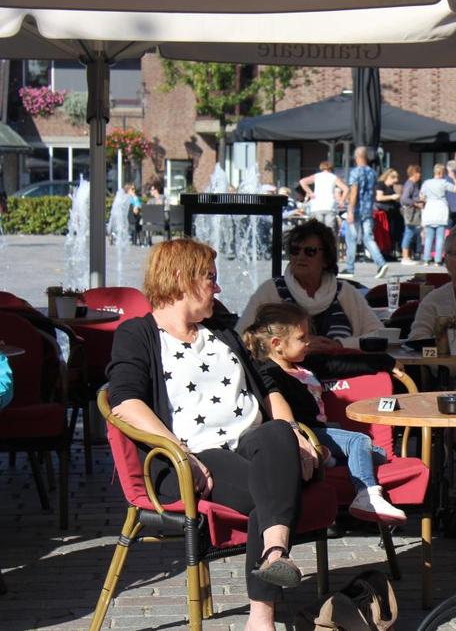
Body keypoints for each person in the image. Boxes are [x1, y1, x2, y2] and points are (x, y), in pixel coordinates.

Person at [106, 238, 320, 631]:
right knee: (267, 493)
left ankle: (273, 555)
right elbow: (124, 403)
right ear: (180, 278)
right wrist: (181, 453)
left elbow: (268, 386)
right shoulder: (138, 335)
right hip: (194, 456)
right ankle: (263, 609)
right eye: (210, 279)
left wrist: (294, 433)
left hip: (256, 444)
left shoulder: (221, 330)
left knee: (275, 434)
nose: (217, 288)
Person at [243, 302, 406, 524]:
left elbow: (342, 363)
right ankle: (367, 494)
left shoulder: (306, 365)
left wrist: (385, 361)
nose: (309, 341)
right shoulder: (268, 373)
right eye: (302, 337)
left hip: (325, 432)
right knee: (360, 440)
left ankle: (326, 457)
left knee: (377, 453)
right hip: (304, 433)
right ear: (277, 344)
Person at [238, 219, 383, 357]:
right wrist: (293, 345)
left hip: (344, 377)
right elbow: (242, 336)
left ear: (326, 259)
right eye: (295, 250)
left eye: (310, 251)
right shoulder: (271, 290)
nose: (300, 256)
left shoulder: (345, 292)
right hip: (289, 379)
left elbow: (379, 334)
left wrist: (340, 344)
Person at [343, 146, 389, 279]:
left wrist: (350, 210)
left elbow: (354, 192)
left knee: (351, 238)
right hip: (368, 209)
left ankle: (350, 268)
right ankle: (381, 263)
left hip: (357, 209)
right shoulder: (373, 172)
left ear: (357, 157)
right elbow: (373, 192)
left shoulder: (355, 172)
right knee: (368, 238)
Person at [420, 163, 456, 266]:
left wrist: (427, 199)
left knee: (429, 237)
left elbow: (421, 196)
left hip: (430, 208)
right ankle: (437, 260)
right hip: (441, 209)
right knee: (440, 237)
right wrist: (454, 178)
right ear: (442, 172)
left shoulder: (426, 183)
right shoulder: (444, 183)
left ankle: (426, 259)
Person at [299, 161, 347, 232]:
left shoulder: (316, 176)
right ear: (331, 168)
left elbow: (302, 181)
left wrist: (310, 193)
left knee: (317, 230)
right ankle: (329, 242)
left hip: (317, 205)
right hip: (330, 206)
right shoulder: (334, 177)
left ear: (321, 168)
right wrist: (341, 200)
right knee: (330, 230)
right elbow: (346, 188)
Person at [374, 168, 403, 259]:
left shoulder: (390, 187)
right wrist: (392, 197)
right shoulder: (380, 185)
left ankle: (390, 251)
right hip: (385, 212)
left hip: (393, 212)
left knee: (394, 232)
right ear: (389, 177)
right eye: (394, 179)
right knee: (386, 232)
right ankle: (384, 252)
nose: (395, 181)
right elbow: (379, 198)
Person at [400, 165, 424, 265]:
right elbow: (404, 199)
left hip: (413, 212)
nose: (420, 175)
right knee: (409, 233)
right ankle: (405, 257)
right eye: (419, 173)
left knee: (409, 232)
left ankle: (406, 256)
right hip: (411, 212)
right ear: (414, 173)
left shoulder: (412, 184)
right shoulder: (410, 184)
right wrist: (416, 203)